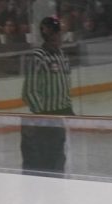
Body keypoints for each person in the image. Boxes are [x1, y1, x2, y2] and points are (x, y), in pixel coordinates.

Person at [20, 16, 73, 174]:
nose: (58, 36)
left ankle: (56, 192)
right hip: (44, 120)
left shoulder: (62, 55)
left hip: (59, 118)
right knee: (43, 163)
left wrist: (68, 110)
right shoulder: (38, 56)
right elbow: (29, 91)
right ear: (46, 34)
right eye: (55, 32)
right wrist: (43, 115)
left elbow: (65, 86)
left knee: (58, 160)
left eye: (59, 32)